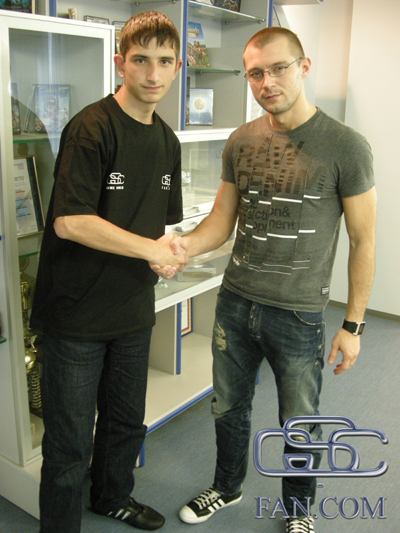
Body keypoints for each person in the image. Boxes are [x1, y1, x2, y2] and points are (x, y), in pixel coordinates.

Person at [155, 26, 376, 533]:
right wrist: (181, 249)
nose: (266, 82)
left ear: (304, 67)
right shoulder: (241, 140)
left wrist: (354, 326)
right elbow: (221, 222)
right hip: (235, 303)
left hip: (298, 313)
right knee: (227, 407)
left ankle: (299, 510)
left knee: (299, 422)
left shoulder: (345, 146)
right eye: (255, 73)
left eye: (278, 69)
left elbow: (364, 240)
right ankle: (226, 487)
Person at [30, 11, 187, 533]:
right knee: (69, 441)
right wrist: (151, 249)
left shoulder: (168, 141)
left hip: (132, 310)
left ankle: (112, 497)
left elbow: (160, 227)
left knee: (125, 421)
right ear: (121, 63)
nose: (152, 74)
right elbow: (71, 222)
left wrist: (167, 254)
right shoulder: (91, 127)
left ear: (178, 67)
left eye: (164, 61)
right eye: (141, 60)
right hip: (76, 315)